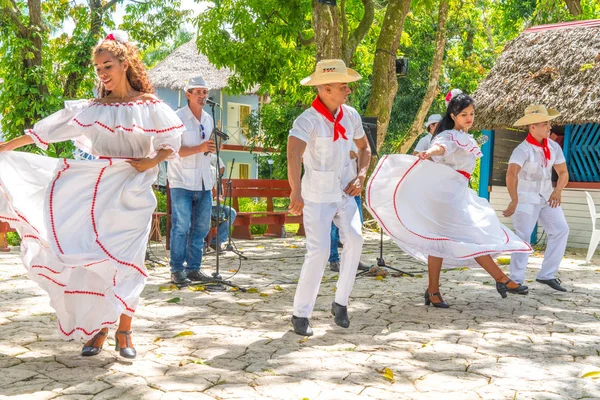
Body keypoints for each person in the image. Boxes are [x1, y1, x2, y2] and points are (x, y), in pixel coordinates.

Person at [0, 30, 183, 359]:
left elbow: (170, 143)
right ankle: (98, 328)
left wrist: (152, 161)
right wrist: (6, 147)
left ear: (124, 63)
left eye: (107, 66)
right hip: (100, 191)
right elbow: (48, 131)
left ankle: (124, 331)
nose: (102, 74)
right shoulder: (93, 108)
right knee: (92, 262)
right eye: (98, 69)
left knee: (129, 262)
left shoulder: (149, 106)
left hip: (135, 191)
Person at [366, 90, 531, 308]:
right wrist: (430, 152)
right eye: (464, 114)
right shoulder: (449, 136)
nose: (469, 118)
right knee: (465, 237)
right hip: (445, 195)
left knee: (441, 241)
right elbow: (441, 146)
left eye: (471, 113)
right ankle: (500, 279)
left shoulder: (467, 137)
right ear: (453, 115)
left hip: (457, 192)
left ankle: (434, 291)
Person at [288, 59, 372, 336]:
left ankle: (341, 303)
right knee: (321, 251)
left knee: (357, 240)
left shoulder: (351, 115)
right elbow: (293, 153)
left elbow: (365, 148)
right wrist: (295, 192)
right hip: (316, 196)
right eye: (343, 86)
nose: (348, 90)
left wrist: (361, 175)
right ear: (325, 88)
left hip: (345, 191)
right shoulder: (307, 120)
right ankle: (301, 314)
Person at [503, 105, 569, 292]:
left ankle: (547, 274)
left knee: (561, 230)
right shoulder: (522, 150)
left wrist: (558, 191)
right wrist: (514, 199)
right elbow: (511, 174)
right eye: (545, 124)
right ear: (532, 127)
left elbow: (563, 172)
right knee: (523, 237)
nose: (549, 127)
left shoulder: (553, 146)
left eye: (549, 123)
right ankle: (515, 280)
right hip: (525, 198)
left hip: (548, 196)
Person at [167, 76, 216, 286]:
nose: (203, 96)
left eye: (205, 92)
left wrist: (210, 150)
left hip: (204, 181)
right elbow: (172, 150)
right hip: (181, 181)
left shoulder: (208, 118)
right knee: (181, 226)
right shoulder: (176, 118)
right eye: (198, 92)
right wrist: (200, 148)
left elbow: (207, 148)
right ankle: (177, 269)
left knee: (201, 228)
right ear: (188, 94)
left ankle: (194, 268)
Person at [329, 146, 368, 272]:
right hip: (333, 188)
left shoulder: (355, 133)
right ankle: (334, 260)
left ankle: (354, 259)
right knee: (333, 228)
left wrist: (359, 179)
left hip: (351, 187)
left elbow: (363, 153)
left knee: (358, 224)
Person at [209, 153, 237, 251]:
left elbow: (220, 194)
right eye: (220, 171)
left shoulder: (217, 177)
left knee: (231, 212)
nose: (221, 174)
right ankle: (201, 244)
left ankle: (217, 241)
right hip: (202, 205)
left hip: (213, 206)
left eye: (222, 172)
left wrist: (219, 195)